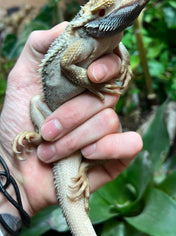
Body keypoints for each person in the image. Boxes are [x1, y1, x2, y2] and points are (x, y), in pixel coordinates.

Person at [0, 22, 142, 230]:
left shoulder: (114, 36)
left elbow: (119, 45)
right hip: (47, 119)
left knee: (99, 135)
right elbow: (66, 62)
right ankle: (42, 138)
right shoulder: (81, 33)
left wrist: (125, 63)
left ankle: (84, 165)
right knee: (35, 102)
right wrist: (11, 168)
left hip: (66, 148)